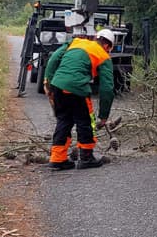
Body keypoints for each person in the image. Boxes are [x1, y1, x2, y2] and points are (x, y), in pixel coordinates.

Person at [43, 21, 116, 170]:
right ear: (108, 46)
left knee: (64, 121)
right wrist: (103, 116)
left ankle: (57, 159)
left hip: (57, 85)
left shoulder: (76, 42)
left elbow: (53, 59)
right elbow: (107, 88)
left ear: (96, 38)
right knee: (86, 122)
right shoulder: (103, 55)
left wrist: (48, 83)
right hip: (77, 88)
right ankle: (86, 158)